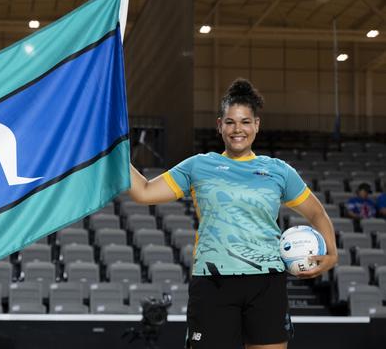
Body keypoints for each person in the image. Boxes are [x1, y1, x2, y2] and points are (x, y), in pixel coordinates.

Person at [128, 78, 338, 349]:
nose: (237, 129)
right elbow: (143, 192)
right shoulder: (198, 166)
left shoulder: (279, 170)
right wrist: (116, 151)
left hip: (267, 283)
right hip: (213, 282)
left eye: (245, 121)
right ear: (219, 125)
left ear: (256, 125)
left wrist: (332, 254)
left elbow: (317, 212)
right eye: (230, 122)